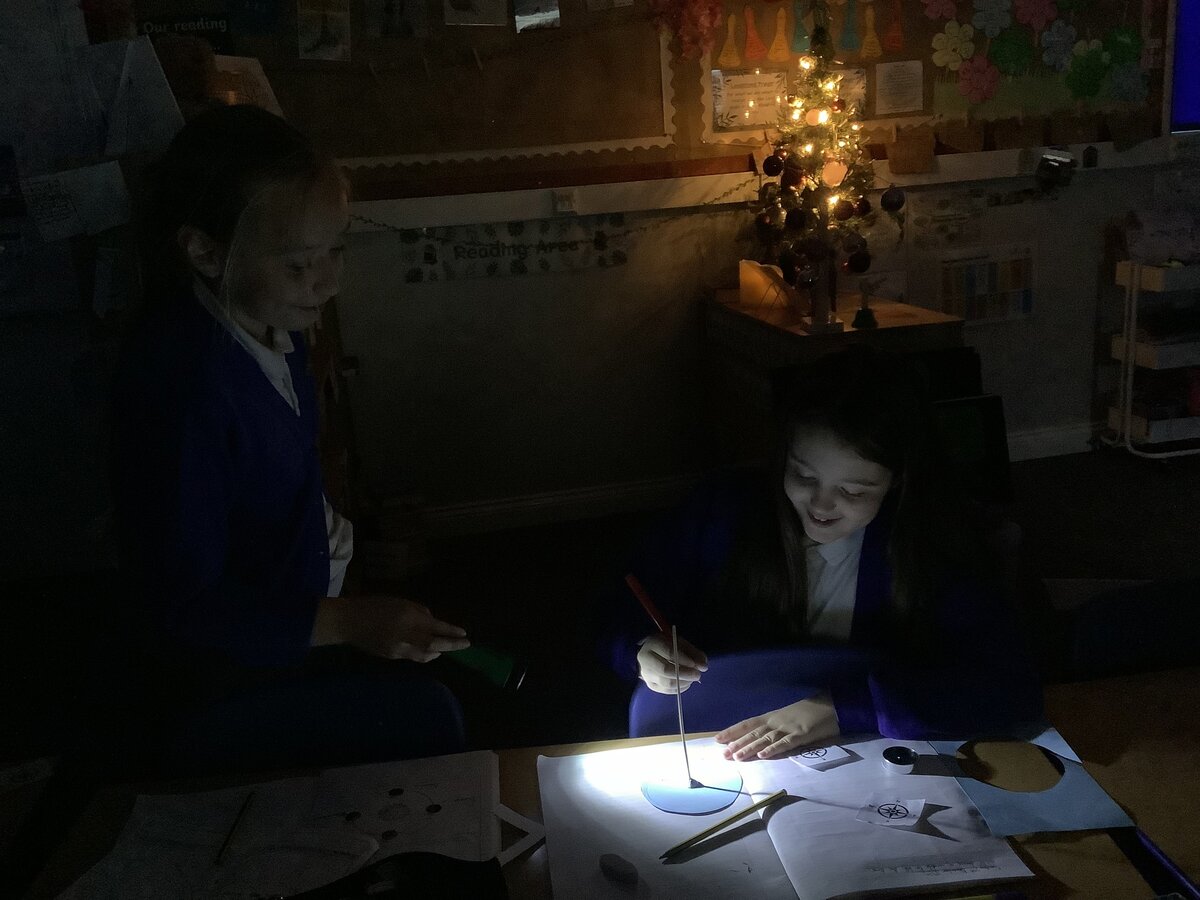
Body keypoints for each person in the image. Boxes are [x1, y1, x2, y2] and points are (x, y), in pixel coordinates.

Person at [107, 104, 470, 776]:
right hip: (224, 677)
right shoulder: (184, 393)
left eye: (337, 250)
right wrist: (350, 623)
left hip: (293, 619)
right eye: (302, 263)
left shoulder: (272, 323)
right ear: (206, 250)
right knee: (429, 721)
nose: (329, 282)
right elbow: (184, 606)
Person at [599, 345, 1043, 760]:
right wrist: (640, 650)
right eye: (804, 476)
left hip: (868, 755)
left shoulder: (931, 548)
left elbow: (1007, 688)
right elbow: (623, 604)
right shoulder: (720, 514)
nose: (821, 504)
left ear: (897, 482)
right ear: (783, 456)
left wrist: (844, 708)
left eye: (853, 490)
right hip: (717, 737)